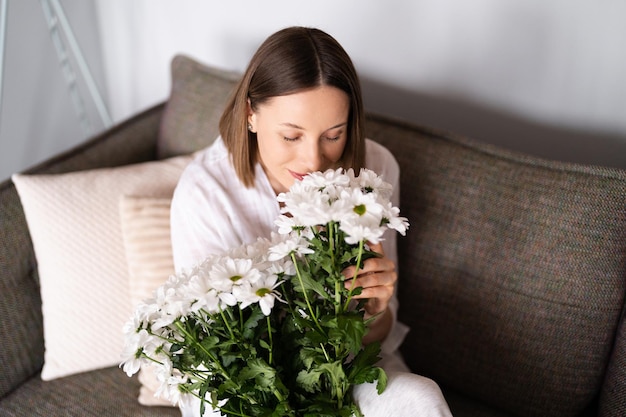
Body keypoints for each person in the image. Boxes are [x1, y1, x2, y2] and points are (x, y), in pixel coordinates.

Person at [170, 26, 452, 417]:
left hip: (349, 366)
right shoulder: (204, 192)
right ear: (251, 115)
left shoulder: (376, 170)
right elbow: (216, 353)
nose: (314, 162)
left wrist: (373, 311)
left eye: (333, 135)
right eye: (291, 137)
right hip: (247, 385)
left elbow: (377, 339)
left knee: (420, 400)